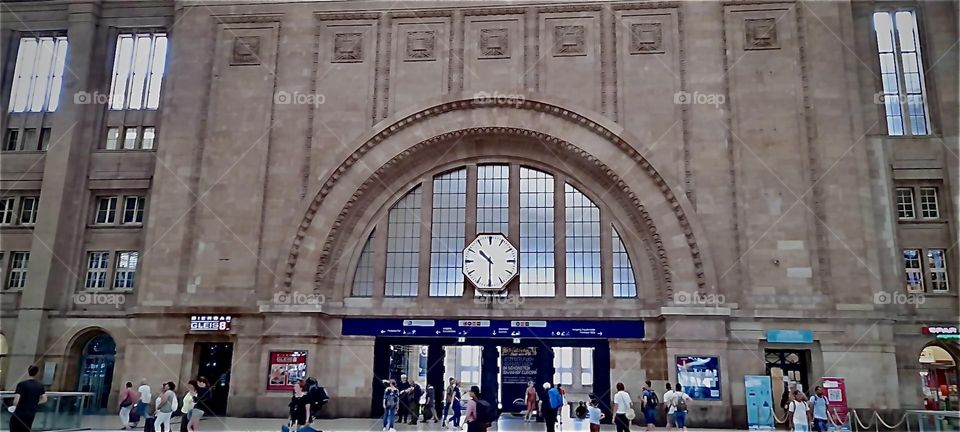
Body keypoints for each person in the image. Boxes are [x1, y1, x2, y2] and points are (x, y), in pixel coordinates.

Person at [9, 365, 47, 432]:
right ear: (37, 373)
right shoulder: (40, 385)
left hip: (19, 413)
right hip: (31, 413)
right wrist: (35, 403)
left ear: (27, 372)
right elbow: (44, 399)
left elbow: (16, 401)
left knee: (14, 428)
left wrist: (14, 406)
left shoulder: (21, 384)